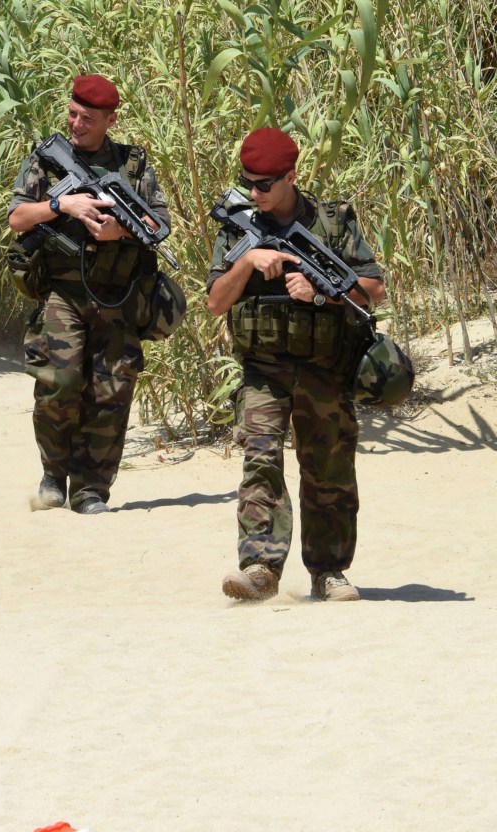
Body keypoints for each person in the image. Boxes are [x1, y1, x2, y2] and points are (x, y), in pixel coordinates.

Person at [206, 127, 386, 603]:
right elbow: (216, 302)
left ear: (291, 176)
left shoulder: (331, 223)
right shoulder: (239, 225)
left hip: (323, 367)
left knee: (327, 468)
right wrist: (247, 262)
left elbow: (374, 291)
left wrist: (322, 292)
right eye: (247, 182)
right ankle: (260, 569)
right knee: (260, 460)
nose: (254, 193)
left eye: (265, 184)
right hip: (263, 368)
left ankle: (328, 572)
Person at [8, 74, 171, 514]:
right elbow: (19, 217)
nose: (77, 124)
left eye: (88, 118)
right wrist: (64, 205)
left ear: (110, 120)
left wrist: (120, 229)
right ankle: (53, 475)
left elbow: (159, 224)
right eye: (73, 114)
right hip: (63, 292)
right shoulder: (47, 160)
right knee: (58, 383)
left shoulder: (132, 165)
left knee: (111, 391)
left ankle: (91, 489)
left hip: (117, 295)